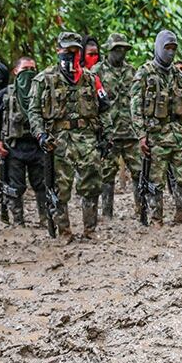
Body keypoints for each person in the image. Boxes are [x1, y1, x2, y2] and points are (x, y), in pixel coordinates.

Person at [27, 32, 111, 241]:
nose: (71, 55)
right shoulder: (44, 79)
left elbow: (104, 109)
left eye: (75, 51)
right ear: (58, 51)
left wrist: (106, 135)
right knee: (59, 187)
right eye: (67, 51)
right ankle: (64, 231)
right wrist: (40, 135)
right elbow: (34, 111)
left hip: (87, 137)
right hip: (58, 139)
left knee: (91, 184)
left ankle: (90, 230)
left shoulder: (91, 79)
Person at [129, 30, 182, 226]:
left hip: (176, 131)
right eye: (167, 47)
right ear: (159, 47)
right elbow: (135, 107)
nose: (171, 52)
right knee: (154, 179)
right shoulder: (145, 72)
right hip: (155, 133)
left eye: (174, 48)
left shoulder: (178, 74)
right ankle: (156, 218)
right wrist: (141, 135)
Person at [0, 57, 47, 227]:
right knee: (15, 187)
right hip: (14, 147)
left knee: (42, 185)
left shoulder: (42, 92)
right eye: (24, 70)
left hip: (37, 146)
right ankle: (18, 222)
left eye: (32, 69)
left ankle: (45, 219)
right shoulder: (5, 94)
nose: (29, 73)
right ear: (15, 72)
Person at [92, 33, 142, 219]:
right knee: (106, 174)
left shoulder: (132, 71)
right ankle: (107, 214)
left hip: (131, 132)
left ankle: (140, 210)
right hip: (109, 133)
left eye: (123, 49)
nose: (121, 53)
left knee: (139, 171)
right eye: (117, 49)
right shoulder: (97, 72)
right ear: (109, 51)